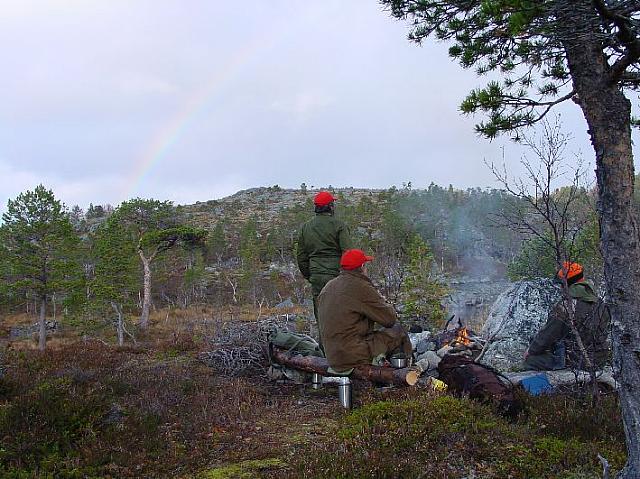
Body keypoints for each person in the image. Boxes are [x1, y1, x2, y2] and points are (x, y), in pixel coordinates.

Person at [317, 249, 413, 373]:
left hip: (332, 356)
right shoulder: (360, 286)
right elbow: (389, 319)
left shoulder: (328, 286)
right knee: (398, 331)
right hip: (352, 355)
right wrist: (383, 302)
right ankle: (402, 376)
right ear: (362, 267)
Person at [524, 262, 611, 371]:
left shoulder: (567, 306)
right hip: (599, 360)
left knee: (531, 361)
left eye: (561, 284)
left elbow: (548, 335)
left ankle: (548, 388)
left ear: (566, 284)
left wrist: (531, 350)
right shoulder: (600, 304)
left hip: (576, 360)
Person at [296, 191, 352, 325]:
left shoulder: (306, 228)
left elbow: (301, 257)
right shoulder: (339, 225)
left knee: (322, 318)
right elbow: (348, 253)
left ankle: (324, 346)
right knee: (342, 316)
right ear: (331, 206)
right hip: (337, 276)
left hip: (317, 277)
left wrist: (311, 276)